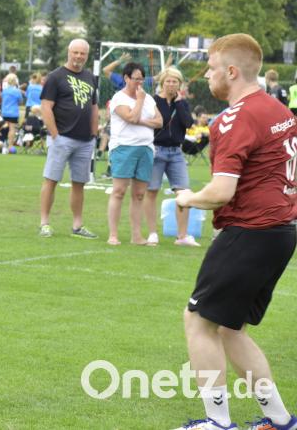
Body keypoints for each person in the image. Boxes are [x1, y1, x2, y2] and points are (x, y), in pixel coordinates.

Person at [171, 34, 297, 430]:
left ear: (231, 71)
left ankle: (217, 423)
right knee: (230, 327)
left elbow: (222, 192)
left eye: (210, 68)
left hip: (250, 231)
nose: (207, 76)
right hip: (282, 231)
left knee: (198, 321)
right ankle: (279, 420)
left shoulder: (236, 117)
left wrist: (188, 198)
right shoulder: (279, 110)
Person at [39, 39, 100, 239]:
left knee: (79, 183)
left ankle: (77, 225)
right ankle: (45, 223)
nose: (78, 57)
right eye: (75, 52)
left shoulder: (90, 77)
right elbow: (46, 107)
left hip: (84, 140)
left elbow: (93, 106)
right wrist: (55, 134)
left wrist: (94, 133)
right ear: (69, 52)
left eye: (82, 53)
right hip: (62, 137)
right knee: (51, 180)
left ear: (87, 55)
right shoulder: (55, 77)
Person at [106, 62, 163, 245]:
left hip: (146, 148)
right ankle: (113, 235)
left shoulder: (149, 99)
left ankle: (136, 236)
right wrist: (138, 102)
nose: (139, 83)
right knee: (119, 191)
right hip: (124, 147)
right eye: (135, 79)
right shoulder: (119, 98)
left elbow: (160, 121)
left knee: (139, 194)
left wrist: (142, 120)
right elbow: (130, 117)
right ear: (126, 78)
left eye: (141, 79)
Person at [143, 66, 198, 247]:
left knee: (183, 192)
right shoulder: (153, 101)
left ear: (180, 84)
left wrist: (180, 102)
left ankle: (182, 236)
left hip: (176, 152)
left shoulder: (181, 103)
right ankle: (152, 233)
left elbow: (188, 123)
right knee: (151, 191)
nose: (171, 84)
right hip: (157, 150)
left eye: (175, 81)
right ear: (162, 83)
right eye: (168, 81)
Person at [0, 73, 24, 153]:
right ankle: (10, 146)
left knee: (4, 128)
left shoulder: (5, 91)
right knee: (12, 129)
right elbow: (20, 101)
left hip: (4, 112)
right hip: (13, 112)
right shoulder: (17, 91)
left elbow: (2, 99)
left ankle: (4, 144)